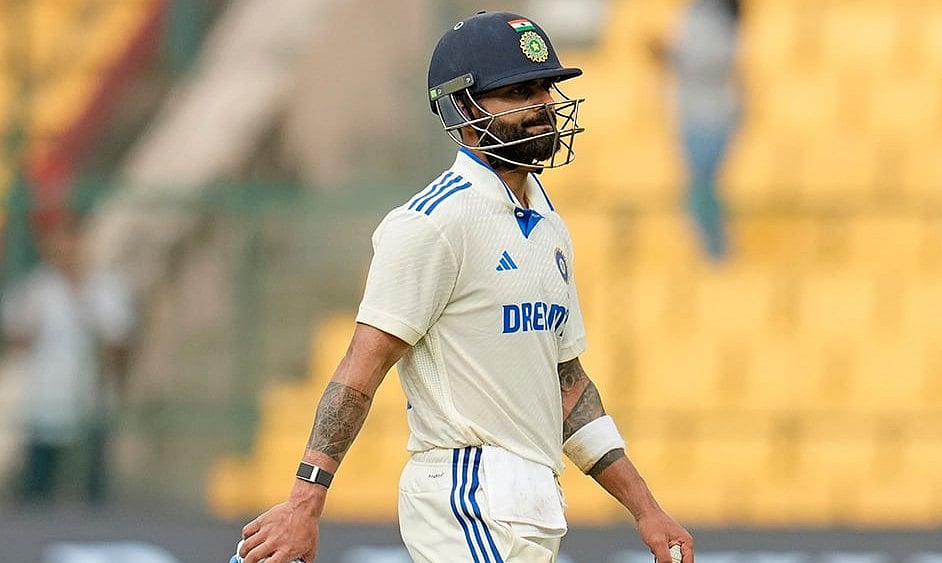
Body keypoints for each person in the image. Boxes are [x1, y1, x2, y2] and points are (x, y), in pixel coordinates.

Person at [239, 11, 694, 563]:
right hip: (466, 492)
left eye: (545, 87)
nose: (545, 105)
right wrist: (304, 502)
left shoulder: (549, 225)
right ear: (463, 107)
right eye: (518, 92)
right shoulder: (432, 223)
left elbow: (568, 387)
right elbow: (361, 369)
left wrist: (645, 508)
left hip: (534, 503)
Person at [1, 208, 135, 505]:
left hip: (91, 400)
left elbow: (119, 342)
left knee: (92, 486)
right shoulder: (38, 288)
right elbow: (17, 339)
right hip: (47, 400)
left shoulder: (105, 288)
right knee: (39, 485)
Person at [657, 0, 742, 261]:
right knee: (698, 191)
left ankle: (718, 255)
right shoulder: (696, 11)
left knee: (702, 191)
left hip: (712, 118)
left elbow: (715, 59)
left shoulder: (718, 14)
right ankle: (712, 255)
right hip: (692, 116)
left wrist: (672, 53)